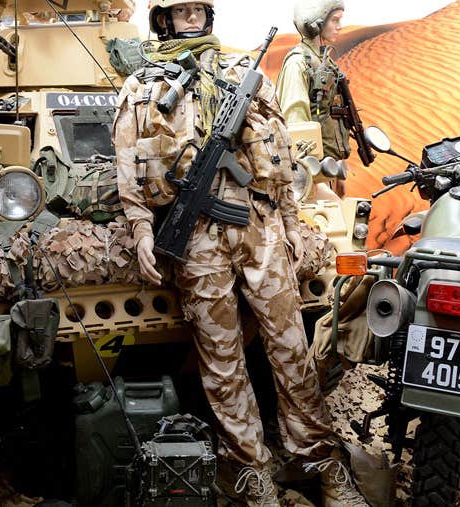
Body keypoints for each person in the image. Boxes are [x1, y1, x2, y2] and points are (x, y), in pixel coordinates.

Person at [113, 1, 367, 505]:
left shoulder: (240, 73)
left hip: (261, 228)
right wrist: (143, 230)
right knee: (222, 364)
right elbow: (129, 166)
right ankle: (249, 468)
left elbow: (281, 154)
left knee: (292, 347)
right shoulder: (142, 87)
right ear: (162, 20)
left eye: (196, 10)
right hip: (195, 242)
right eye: (179, 12)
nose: (190, 19)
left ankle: (321, 460)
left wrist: (292, 222)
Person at [276, 0, 350, 197]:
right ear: (315, 23)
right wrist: (314, 180)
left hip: (326, 171)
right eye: (334, 20)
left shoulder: (323, 61)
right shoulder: (298, 63)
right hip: (307, 177)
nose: (339, 26)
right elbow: (295, 126)